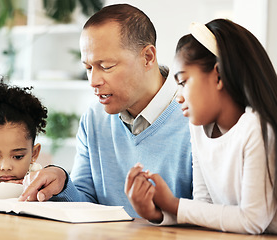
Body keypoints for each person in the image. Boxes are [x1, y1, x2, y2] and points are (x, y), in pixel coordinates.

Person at [19, 3, 192, 218]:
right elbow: (86, 203)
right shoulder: (94, 119)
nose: (93, 81)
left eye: (106, 66)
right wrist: (63, 182)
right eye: (88, 68)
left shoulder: (195, 118)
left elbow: (209, 215)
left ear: (148, 57)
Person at [125, 18, 277, 234]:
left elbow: (253, 220)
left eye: (184, 82)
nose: (179, 97)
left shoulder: (256, 128)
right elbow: (204, 209)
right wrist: (157, 212)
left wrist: (173, 204)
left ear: (218, 75)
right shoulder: (198, 130)